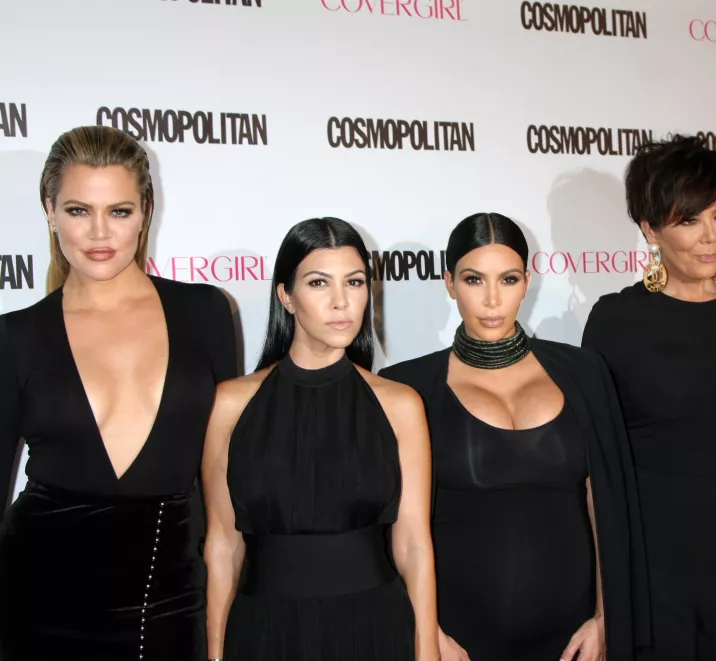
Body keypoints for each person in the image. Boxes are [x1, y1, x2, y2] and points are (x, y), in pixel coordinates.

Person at [0, 125, 238, 659]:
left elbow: (225, 485)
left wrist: (224, 621)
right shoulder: (16, 336)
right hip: (36, 599)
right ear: (49, 210)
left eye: (120, 211)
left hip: (172, 601)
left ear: (146, 211)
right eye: (78, 210)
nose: (99, 232)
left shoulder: (205, 313)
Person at [381, 212, 650, 661]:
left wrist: (606, 618)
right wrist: (426, 632)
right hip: (459, 641)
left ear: (527, 281)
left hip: (572, 640)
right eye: (473, 279)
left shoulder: (583, 372)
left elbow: (605, 502)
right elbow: (394, 534)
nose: (492, 299)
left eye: (508, 279)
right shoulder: (408, 388)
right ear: (449, 283)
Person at [582, 135, 716, 660]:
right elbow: (597, 468)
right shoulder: (615, 321)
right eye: (688, 220)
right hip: (654, 566)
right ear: (649, 229)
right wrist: (604, 595)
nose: (711, 236)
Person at [202, 217, 438, 661]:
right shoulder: (230, 404)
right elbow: (222, 544)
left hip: (375, 628)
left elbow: (413, 545)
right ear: (286, 296)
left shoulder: (399, 404)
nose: (340, 301)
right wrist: (215, 653)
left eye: (354, 282)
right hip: (264, 632)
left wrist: (426, 653)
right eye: (318, 283)